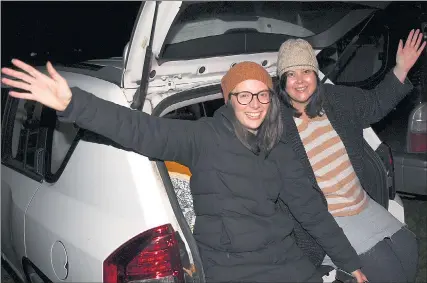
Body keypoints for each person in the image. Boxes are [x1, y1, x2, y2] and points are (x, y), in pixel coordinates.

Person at [2, 60, 369, 282]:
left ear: (271, 99)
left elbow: (310, 211)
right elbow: (140, 129)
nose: (253, 103)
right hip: (231, 268)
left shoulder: (280, 146)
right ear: (229, 99)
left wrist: (349, 263)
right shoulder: (202, 137)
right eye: (243, 94)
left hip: (286, 261)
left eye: (261, 94)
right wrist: (73, 103)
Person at [276, 29, 425, 282]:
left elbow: (376, 103)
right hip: (329, 218)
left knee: (409, 248)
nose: (299, 80)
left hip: (360, 203)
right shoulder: (276, 124)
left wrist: (401, 69)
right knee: (387, 269)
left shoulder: (336, 100)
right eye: (291, 74)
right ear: (281, 80)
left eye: (306, 71)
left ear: (316, 74)